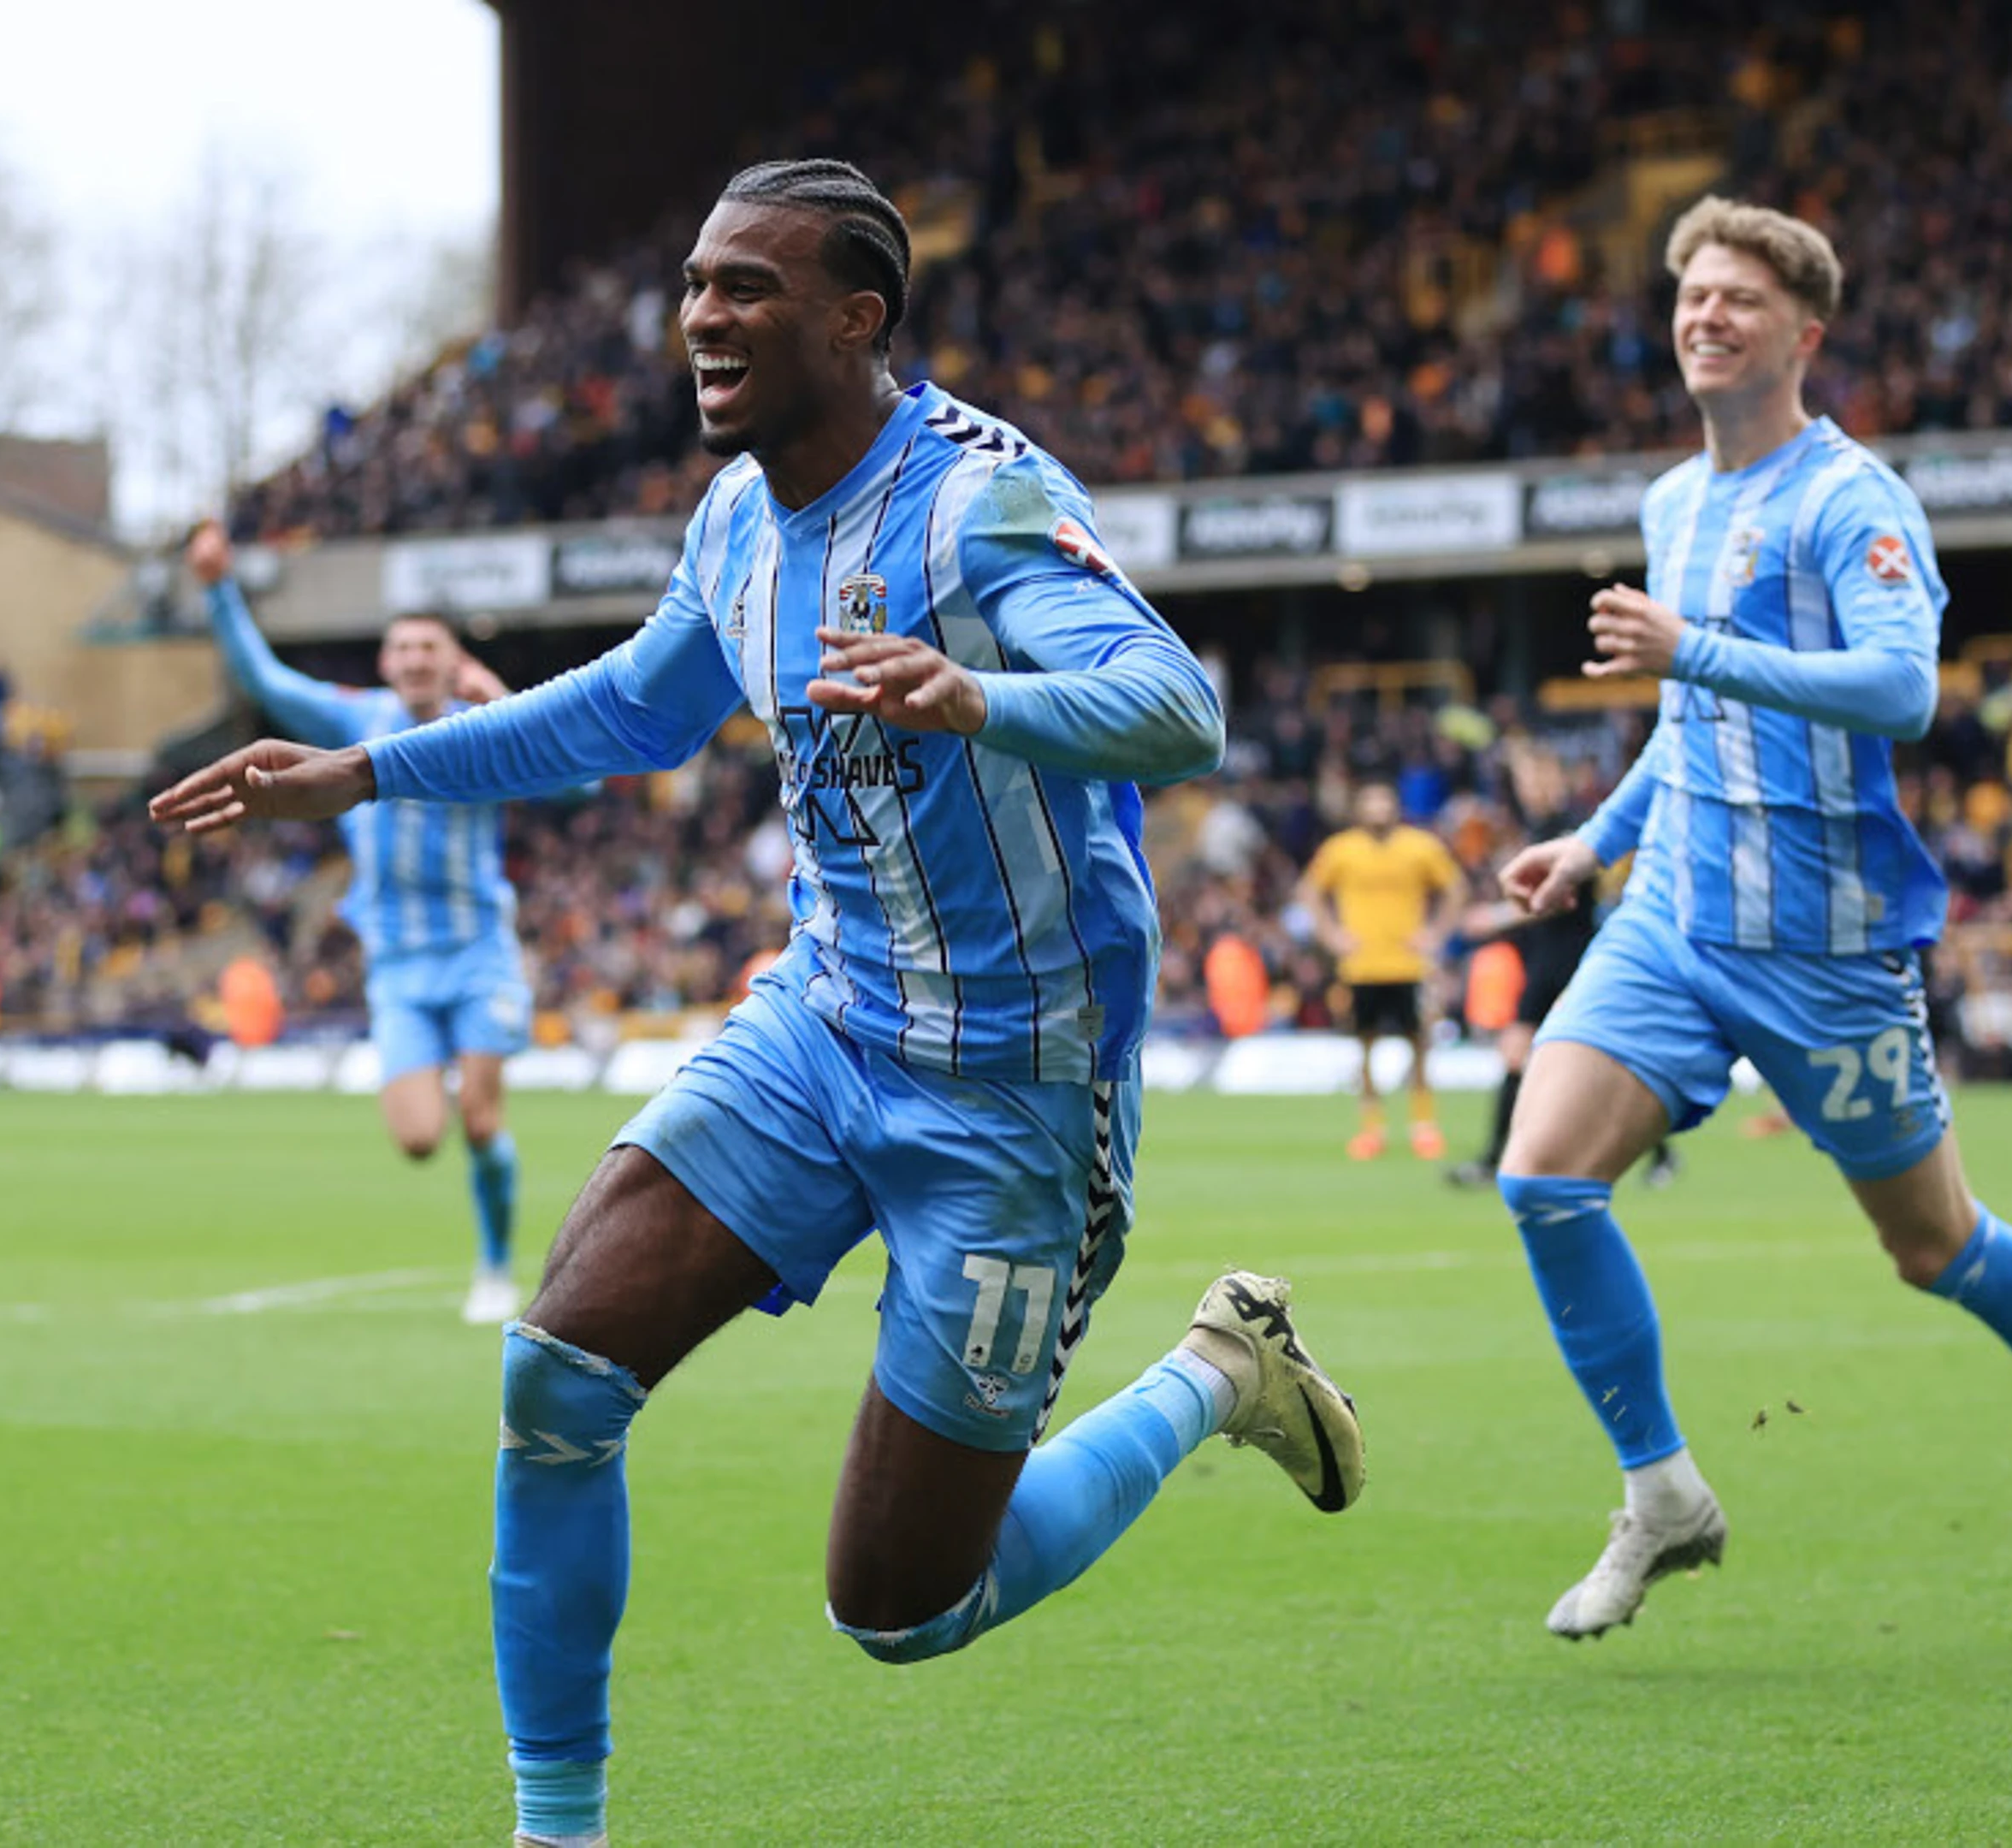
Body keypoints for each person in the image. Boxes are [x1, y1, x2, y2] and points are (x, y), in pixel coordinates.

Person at [155, 159, 1365, 1848]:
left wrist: (981, 695)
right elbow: (632, 713)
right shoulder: (736, 521)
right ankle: (555, 1830)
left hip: (1012, 1098)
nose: (702, 319)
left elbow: (1173, 708)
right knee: (559, 1375)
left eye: (749, 291)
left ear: (858, 323)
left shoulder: (979, 502)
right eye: (696, 287)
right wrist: (364, 772)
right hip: (820, 1030)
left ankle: (1216, 1377)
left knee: (903, 1609)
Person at [1490, 196, 2012, 1641]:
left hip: (1826, 951)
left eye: (1739, 298)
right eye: (1691, 294)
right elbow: (1691, 725)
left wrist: (1698, 645)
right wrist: (1594, 840)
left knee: (1936, 1247)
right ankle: (1666, 1495)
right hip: (1676, 918)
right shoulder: (1673, 503)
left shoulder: (1851, 500)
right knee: (1543, 1179)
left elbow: (1902, 692)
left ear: (1803, 332)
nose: (1706, 316)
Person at [194, 523, 535, 1325]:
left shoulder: (490, 722)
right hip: (401, 966)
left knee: (481, 1120)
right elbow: (262, 678)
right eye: (404, 648)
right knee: (419, 1138)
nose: (417, 660)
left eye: (430, 648)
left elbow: (581, 786)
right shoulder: (358, 719)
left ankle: (495, 1266)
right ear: (386, 662)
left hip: (479, 951)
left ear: (455, 661)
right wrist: (218, 587)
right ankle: (456, 1090)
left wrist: (510, 709)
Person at [1445, 860, 1679, 1191]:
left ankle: (1661, 1152)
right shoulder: (1538, 830)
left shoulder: (1571, 833)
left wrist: (1497, 917)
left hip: (1577, 960)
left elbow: (1560, 894)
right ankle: (1493, 1157)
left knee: (1610, 1062)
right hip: (1542, 965)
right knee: (1514, 1053)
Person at [1296, 783, 1461, 1159]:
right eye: (1371, 802)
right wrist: (1332, 935)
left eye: (1384, 802)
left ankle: (1424, 1124)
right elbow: (1309, 891)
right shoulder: (1341, 849)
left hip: (1408, 963)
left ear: (1395, 807)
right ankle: (1371, 1128)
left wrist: (1435, 933)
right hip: (1361, 966)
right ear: (1360, 809)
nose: (1378, 809)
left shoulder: (1420, 847)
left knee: (1419, 1044)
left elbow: (1455, 889)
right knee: (1364, 1046)